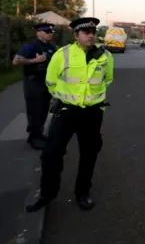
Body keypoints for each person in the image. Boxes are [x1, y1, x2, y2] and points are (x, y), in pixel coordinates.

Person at [26, 17, 114, 212]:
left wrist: (91, 100)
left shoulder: (105, 56)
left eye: (93, 32)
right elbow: (51, 81)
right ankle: (47, 195)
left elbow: (107, 80)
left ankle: (82, 192)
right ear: (76, 35)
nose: (91, 35)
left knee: (89, 154)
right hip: (66, 111)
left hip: (92, 113)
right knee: (50, 154)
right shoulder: (62, 54)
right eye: (86, 32)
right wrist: (65, 98)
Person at [12, 23, 58, 149]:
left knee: (44, 109)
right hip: (33, 81)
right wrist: (34, 61)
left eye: (51, 31)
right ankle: (33, 137)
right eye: (47, 31)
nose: (50, 33)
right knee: (35, 110)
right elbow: (16, 61)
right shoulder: (30, 46)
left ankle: (39, 133)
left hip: (46, 82)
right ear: (38, 33)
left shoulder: (52, 46)